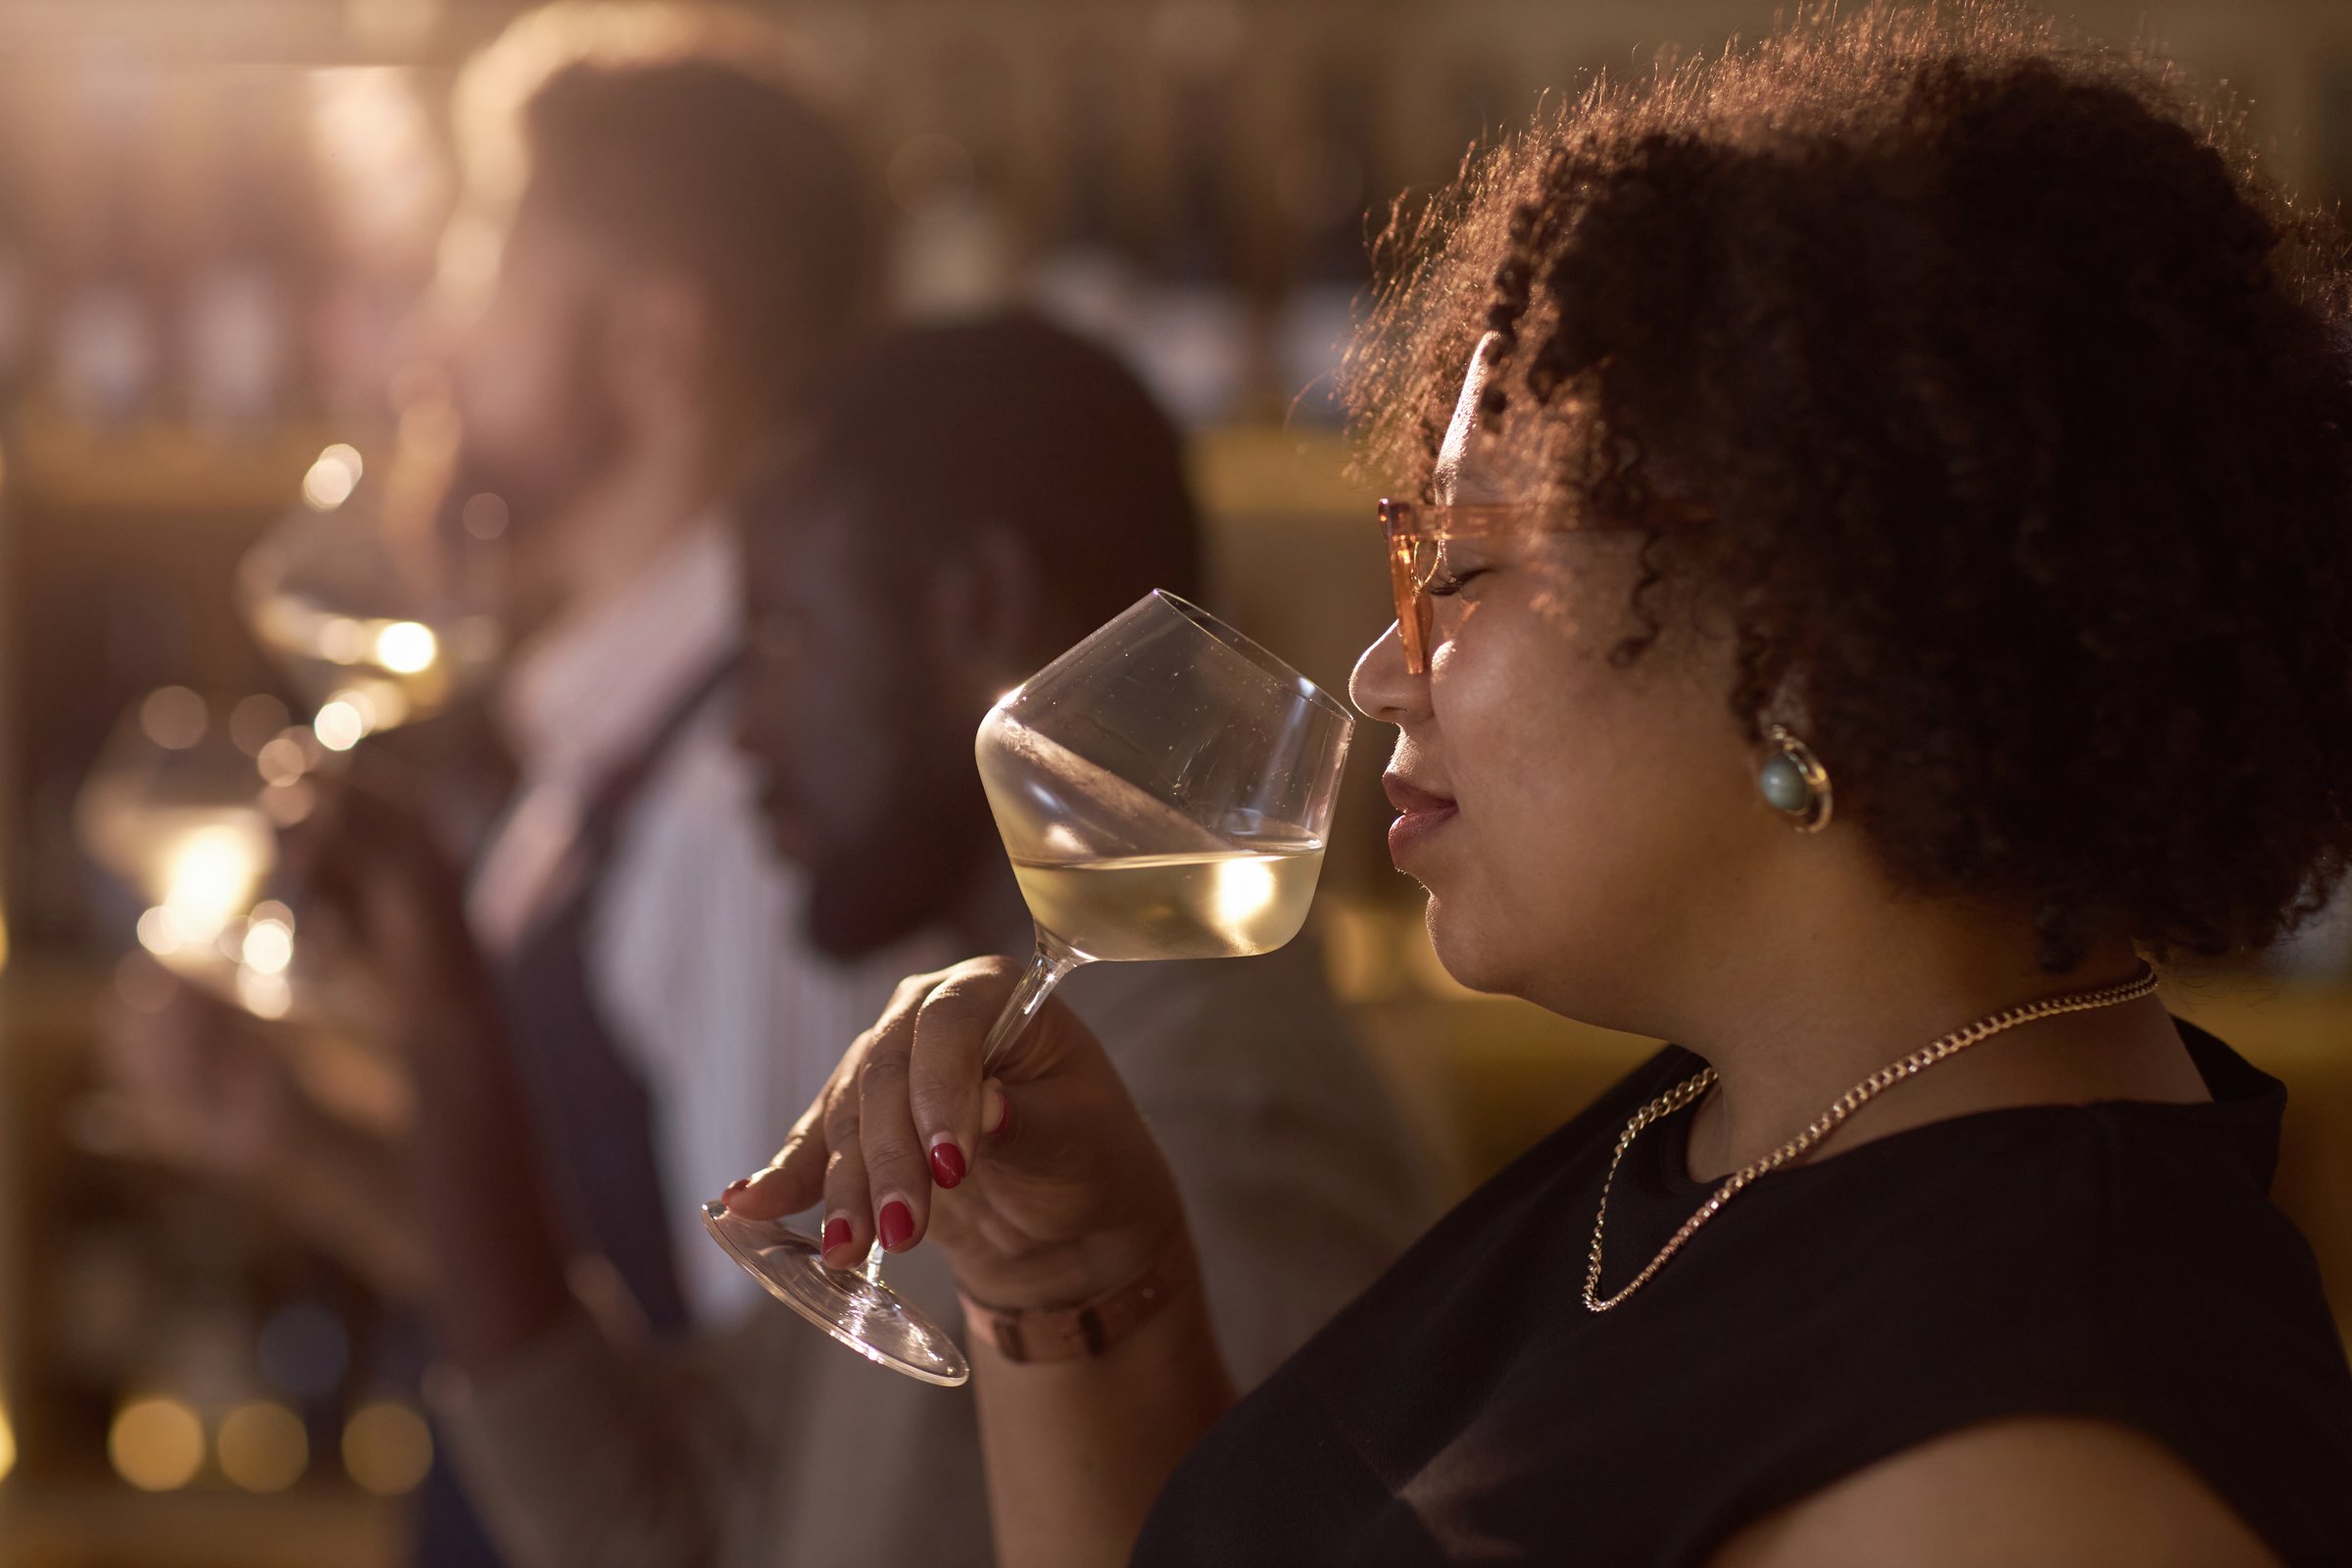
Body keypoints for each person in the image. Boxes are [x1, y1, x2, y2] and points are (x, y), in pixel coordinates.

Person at [723, 9, 2352, 1565]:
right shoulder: (1734, 1135)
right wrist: (1076, 1285)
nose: (1378, 669)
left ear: (1803, 636)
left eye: (1467, 565)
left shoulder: (2033, 1481)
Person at [312, 313, 1432, 1567]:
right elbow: (666, 1523)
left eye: (785, 639)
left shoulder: (1217, 1092)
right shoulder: (986, 1063)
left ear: (980, 610)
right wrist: (443, 1025)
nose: (743, 738)